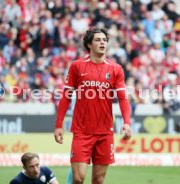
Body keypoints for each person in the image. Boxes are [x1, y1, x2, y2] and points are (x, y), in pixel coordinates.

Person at [54, 27, 132, 184]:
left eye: (104, 40)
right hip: (82, 131)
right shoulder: (77, 66)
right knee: (78, 178)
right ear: (89, 44)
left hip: (105, 132)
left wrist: (127, 123)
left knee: (98, 180)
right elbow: (66, 97)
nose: (102, 43)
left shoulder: (115, 69)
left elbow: (123, 98)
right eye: (98, 40)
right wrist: (58, 125)